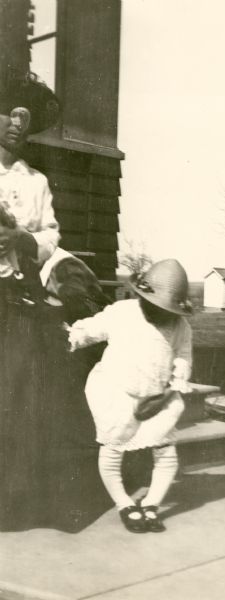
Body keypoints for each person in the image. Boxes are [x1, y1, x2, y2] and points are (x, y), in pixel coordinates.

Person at [67, 259, 193, 533]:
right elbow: (92, 328)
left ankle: (151, 504)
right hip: (117, 392)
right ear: (142, 296)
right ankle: (124, 503)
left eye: (167, 310)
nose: (160, 314)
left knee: (166, 452)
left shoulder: (180, 327)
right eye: (154, 306)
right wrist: (73, 336)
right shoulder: (123, 313)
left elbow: (182, 357)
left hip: (157, 398)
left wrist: (171, 390)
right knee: (113, 448)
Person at [0, 71, 61, 526]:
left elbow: (51, 236)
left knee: (16, 390)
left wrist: (21, 236)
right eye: (8, 111)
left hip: (16, 296)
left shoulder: (36, 181)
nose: (16, 122)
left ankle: (10, 502)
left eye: (25, 115)